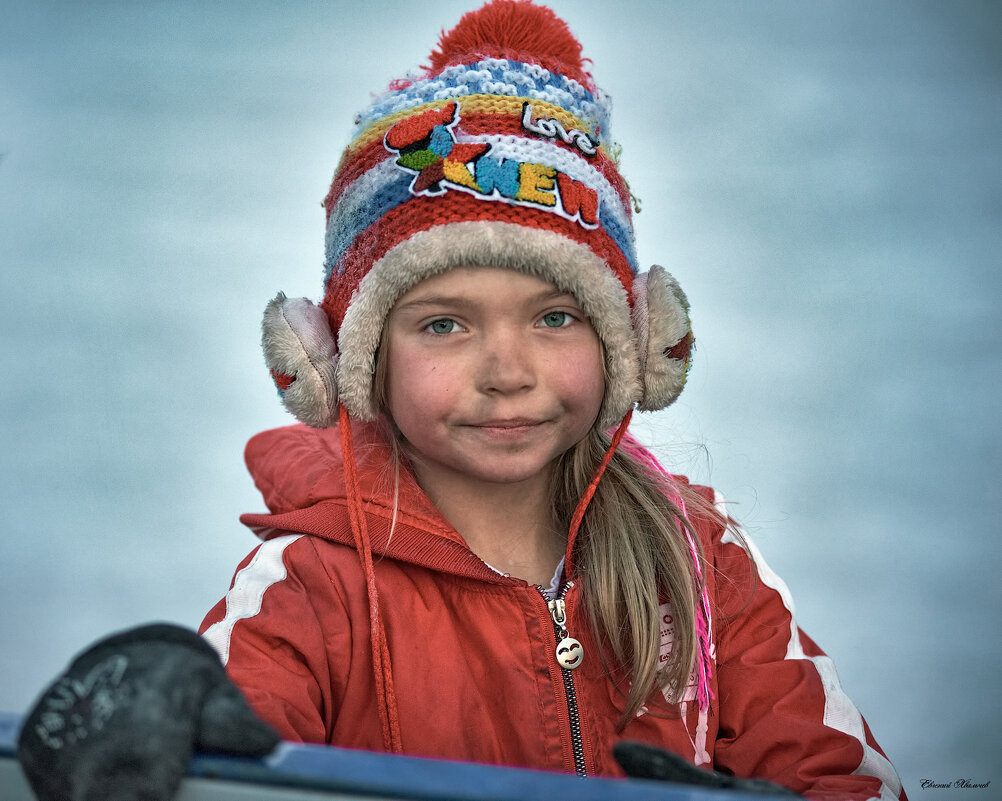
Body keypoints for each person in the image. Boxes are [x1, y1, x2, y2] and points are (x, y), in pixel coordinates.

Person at [17, 2, 906, 800]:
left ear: (632, 345)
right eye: (445, 325)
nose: (507, 370)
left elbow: (848, 779)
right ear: (348, 362)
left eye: (556, 316)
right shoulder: (311, 584)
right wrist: (166, 697)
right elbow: (239, 727)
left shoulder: (701, 563)